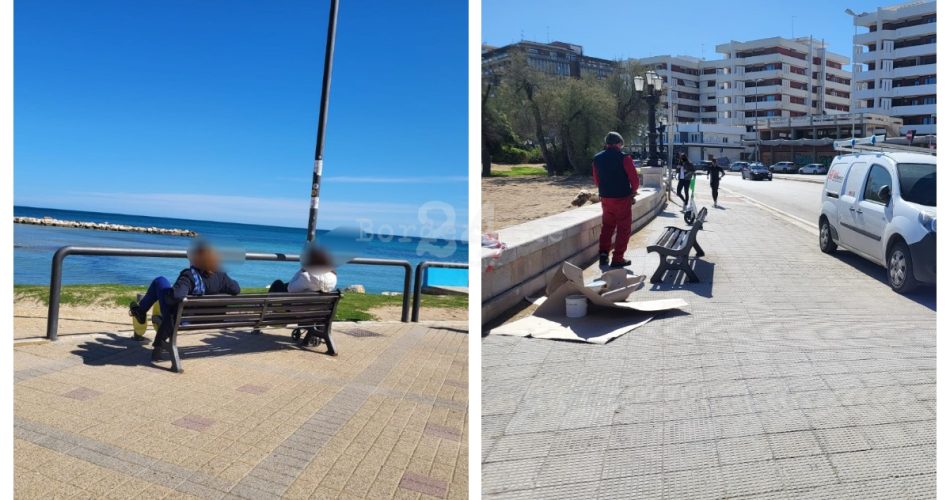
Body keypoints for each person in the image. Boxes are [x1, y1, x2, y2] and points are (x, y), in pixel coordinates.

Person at [128, 241, 241, 349]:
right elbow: (236, 289)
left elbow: (175, 297)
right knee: (162, 284)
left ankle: (140, 311)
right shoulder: (221, 276)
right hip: (210, 319)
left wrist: (168, 293)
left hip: (180, 319)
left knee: (160, 281)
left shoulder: (189, 276)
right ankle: (140, 311)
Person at [592, 131, 639, 268]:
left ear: (607, 143)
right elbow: (635, 180)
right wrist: (633, 192)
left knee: (607, 227)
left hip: (606, 199)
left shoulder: (597, 158)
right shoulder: (625, 158)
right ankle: (618, 258)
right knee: (623, 229)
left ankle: (603, 255)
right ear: (619, 143)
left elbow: (596, 180)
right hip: (622, 199)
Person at [270, 244, 337, 293]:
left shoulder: (307, 277)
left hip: (295, 305)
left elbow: (290, 289)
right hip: (315, 306)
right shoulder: (333, 277)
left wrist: (302, 270)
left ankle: (267, 306)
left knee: (277, 283)